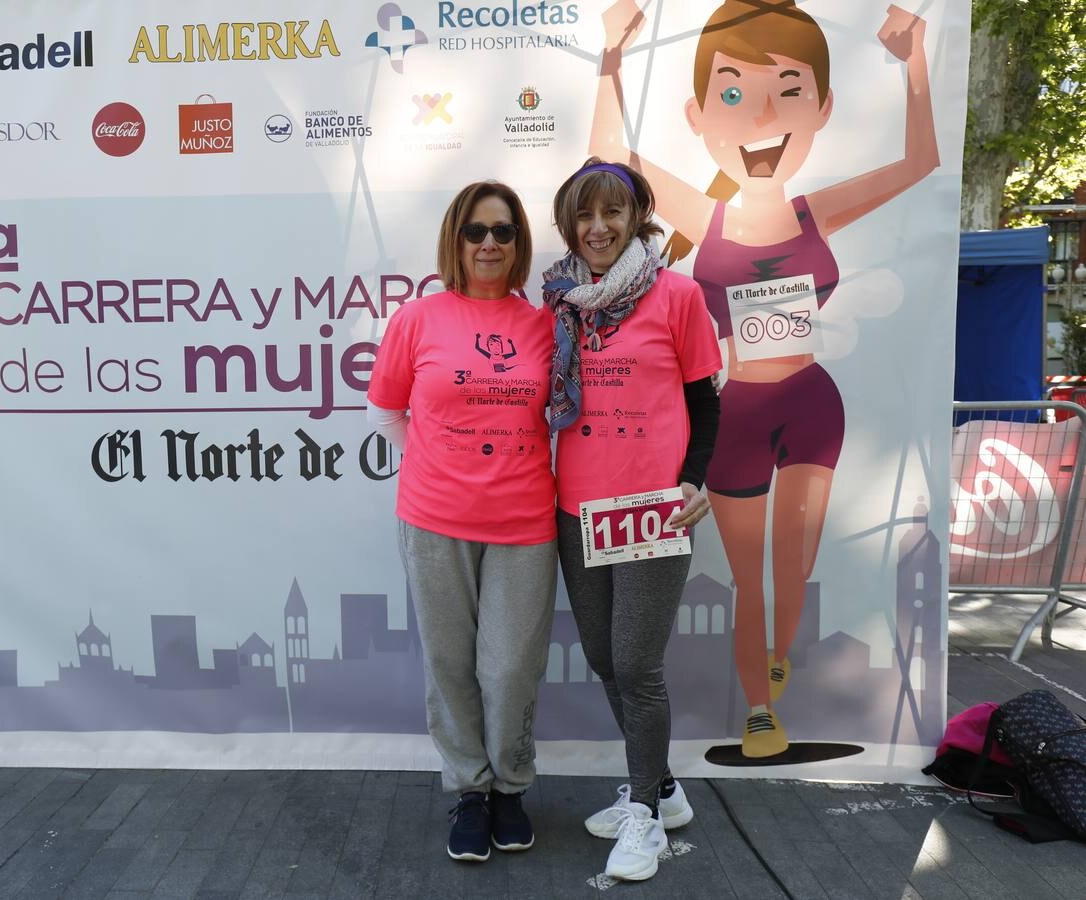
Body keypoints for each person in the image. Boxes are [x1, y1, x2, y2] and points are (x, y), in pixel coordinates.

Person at [591, 0, 938, 758]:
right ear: (699, 113)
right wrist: (612, 58)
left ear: (821, 107)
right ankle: (760, 708)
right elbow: (609, 158)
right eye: (735, 93)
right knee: (750, 578)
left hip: (812, 405)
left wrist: (914, 59)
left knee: (794, 566)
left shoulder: (817, 212)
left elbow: (920, 166)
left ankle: (777, 652)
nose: (761, 117)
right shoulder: (702, 215)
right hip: (738, 413)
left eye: (788, 89)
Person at [366, 181, 557, 863]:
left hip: (526, 520)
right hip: (434, 519)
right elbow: (387, 410)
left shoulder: (546, 324)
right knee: (449, 664)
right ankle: (470, 794)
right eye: (476, 231)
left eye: (503, 232)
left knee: (508, 669)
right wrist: (433, 464)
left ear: (519, 243)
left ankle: (511, 788)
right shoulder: (416, 320)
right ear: (455, 239)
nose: (488, 244)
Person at [546, 158, 722, 881]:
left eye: (612, 213)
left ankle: (645, 816)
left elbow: (706, 402)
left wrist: (692, 482)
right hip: (575, 507)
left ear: (637, 218)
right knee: (601, 656)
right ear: (569, 225)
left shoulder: (678, 297)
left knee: (637, 666)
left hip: (650, 509)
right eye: (585, 215)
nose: (598, 228)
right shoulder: (560, 303)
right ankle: (665, 792)